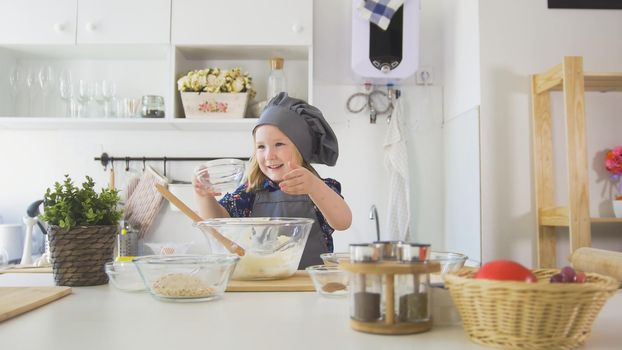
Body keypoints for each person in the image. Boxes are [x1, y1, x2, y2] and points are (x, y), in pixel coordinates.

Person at [194, 92, 352, 268]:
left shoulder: (320, 189)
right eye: (261, 147)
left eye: (279, 144)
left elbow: (342, 222)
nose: (269, 155)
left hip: (309, 285)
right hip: (263, 286)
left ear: (301, 149)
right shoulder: (249, 193)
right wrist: (204, 196)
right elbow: (218, 226)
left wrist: (314, 187)